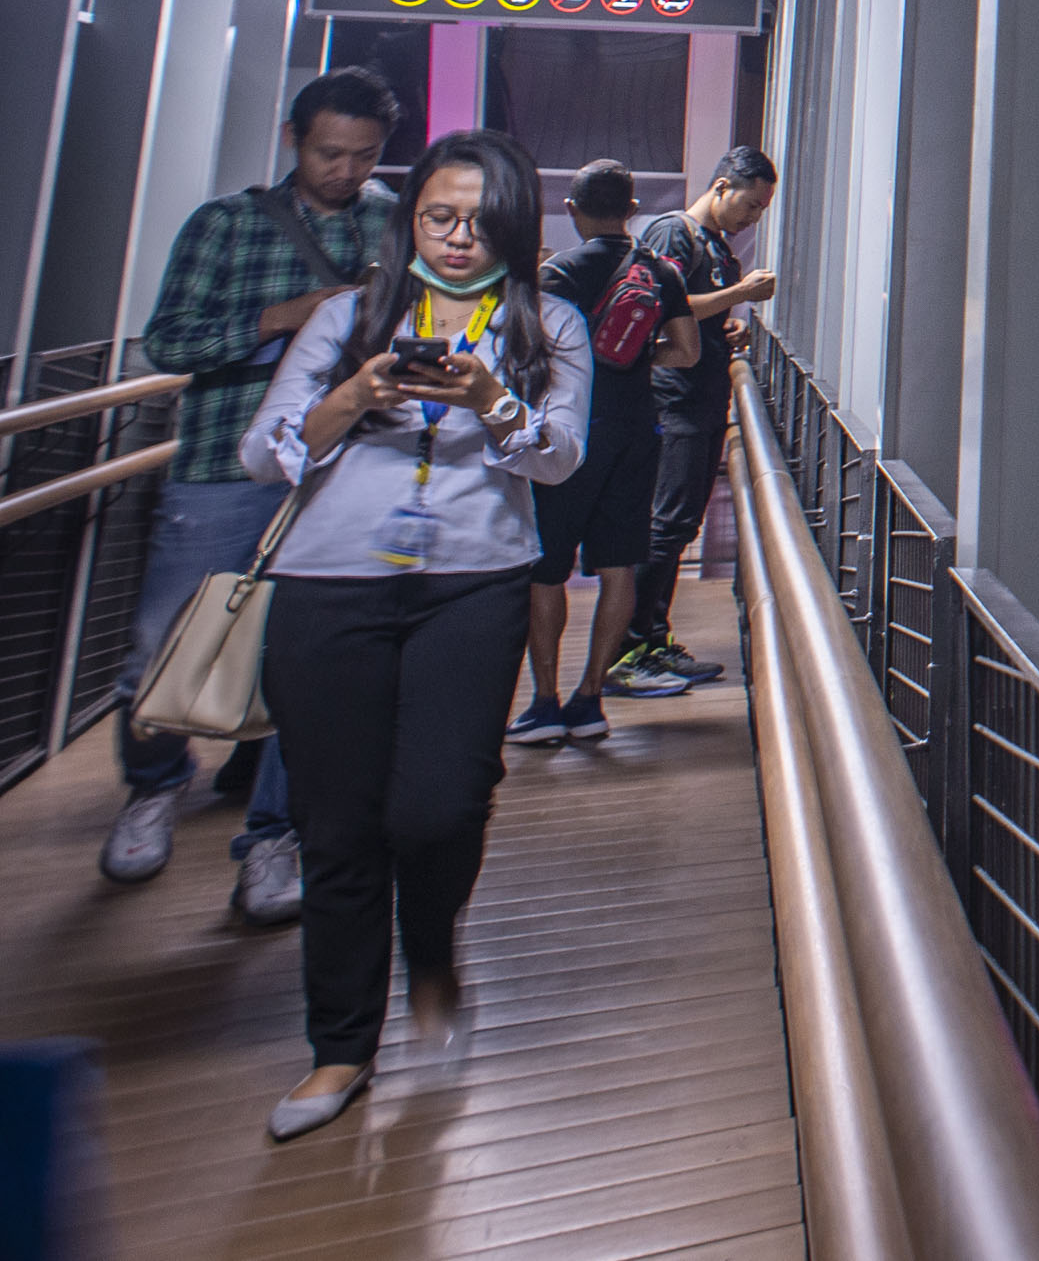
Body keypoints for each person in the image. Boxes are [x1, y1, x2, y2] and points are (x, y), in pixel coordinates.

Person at [243, 129, 590, 1141]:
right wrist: (354, 395)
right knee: (338, 825)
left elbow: (561, 459)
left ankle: (431, 953)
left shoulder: (549, 324)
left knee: (439, 807)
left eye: (479, 220)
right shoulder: (352, 317)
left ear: (514, 227)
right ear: (411, 221)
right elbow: (263, 452)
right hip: (329, 582)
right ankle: (340, 1048)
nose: (454, 236)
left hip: (474, 585)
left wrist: (492, 402)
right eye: (437, 216)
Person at [103, 67, 404, 920]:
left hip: (341, 471)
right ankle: (155, 785)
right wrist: (285, 317)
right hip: (223, 466)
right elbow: (167, 342)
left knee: (304, 663)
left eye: (364, 157)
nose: (346, 171)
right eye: (329, 153)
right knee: (164, 642)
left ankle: (274, 837)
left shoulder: (394, 225)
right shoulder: (228, 225)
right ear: (293, 141)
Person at [511, 164, 685, 742]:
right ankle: (590, 701)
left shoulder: (558, 273)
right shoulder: (660, 271)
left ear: (571, 207)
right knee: (618, 569)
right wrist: (635, 360)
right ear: (632, 208)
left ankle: (543, 702)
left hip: (576, 431)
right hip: (639, 428)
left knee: (547, 570)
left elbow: (528, 351)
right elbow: (684, 351)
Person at [612, 146, 777, 691]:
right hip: (674, 398)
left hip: (701, 398)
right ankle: (630, 649)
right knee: (665, 525)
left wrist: (728, 326)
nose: (753, 217)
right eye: (750, 205)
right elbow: (665, 304)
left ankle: (651, 639)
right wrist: (740, 294)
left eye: (760, 209)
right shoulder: (672, 232)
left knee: (679, 524)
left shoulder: (714, 244)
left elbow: (694, 312)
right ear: (723, 187)